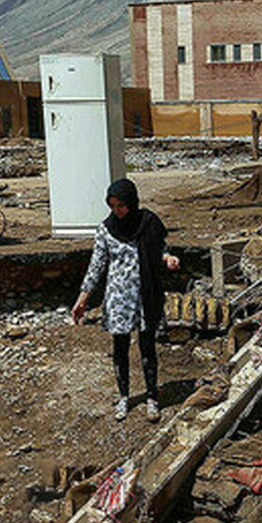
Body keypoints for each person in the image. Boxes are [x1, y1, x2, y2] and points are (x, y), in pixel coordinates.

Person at [71, 178, 179, 423]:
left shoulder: (148, 222)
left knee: (147, 346)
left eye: (121, 205)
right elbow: (96, 267)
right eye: (112, 205)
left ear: (132, 201)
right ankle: (124, 397)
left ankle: (152, 397)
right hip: (119, 299)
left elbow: (161, 247)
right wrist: (82, 300)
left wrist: (168, 258)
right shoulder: (106, 230)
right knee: (120, 348)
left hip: (146, 295)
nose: (117, 210)